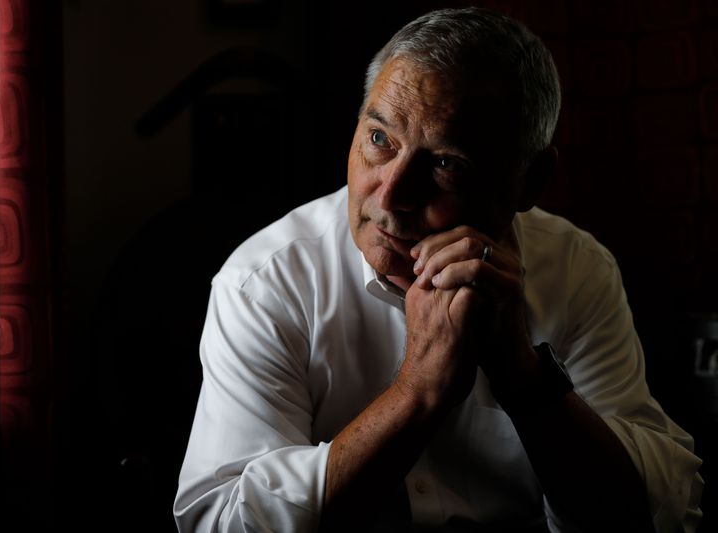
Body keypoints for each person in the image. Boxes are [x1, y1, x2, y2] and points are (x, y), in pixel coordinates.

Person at [173, 7, 703, 532]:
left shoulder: (576, 268)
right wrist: (417, 394)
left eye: (446, 163)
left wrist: (524, 377)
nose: (393, 194)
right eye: (381, 140)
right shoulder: (265, 283)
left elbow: (661, 513)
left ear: (530, 181)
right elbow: (219, 522)